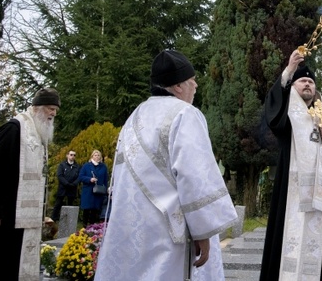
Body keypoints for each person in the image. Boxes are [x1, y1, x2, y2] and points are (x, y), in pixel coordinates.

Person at [95, 49, 238, 281]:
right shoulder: (185, 114)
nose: (196, 86)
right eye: (192, 81)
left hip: (132, 230)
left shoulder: (134, 117)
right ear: (179, 86)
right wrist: (203, 230)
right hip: (170, 233)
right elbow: (194, 176)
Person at [259, 49, 322, 281]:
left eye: (311, 81)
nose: (308, 84)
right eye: (302, 81)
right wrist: (289, 70)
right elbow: (272, 113)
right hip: (291, 193)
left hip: (321, 196)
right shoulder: (287, 111)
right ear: (294, 86)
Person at [0, 88, 60, 281]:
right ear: (37, 108)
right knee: (5, 265)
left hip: (26, 220)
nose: (53, 113)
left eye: (55, 109)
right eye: (49, 108)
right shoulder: (13, 129)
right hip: (7, 216)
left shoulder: (37, 135)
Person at [79, 149, 109, 228]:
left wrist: (105, 189)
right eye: (95, 155)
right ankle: (84, 226)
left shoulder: (103, 167)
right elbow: (81, 177)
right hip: (88, 190)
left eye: (98, 155)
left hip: (98, 191)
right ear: (92, 156)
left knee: (95, 210)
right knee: (87, 209)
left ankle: (92, 227)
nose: (97, 157)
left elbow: (106, 179)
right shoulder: (86, 166)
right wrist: (89, 179)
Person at [50, 149, 80, 221]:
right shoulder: (62, 165)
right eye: (71, 155)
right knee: (58, 203)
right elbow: (60, 175)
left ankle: (68, 219)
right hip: (63, 187)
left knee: (70, 204)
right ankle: (54, 218)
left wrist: (74, 183)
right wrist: (66, 183)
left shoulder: (77, 166)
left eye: (74, 155)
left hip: (72, 187)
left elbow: (79, 176)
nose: (72, 156)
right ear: (67, 155)